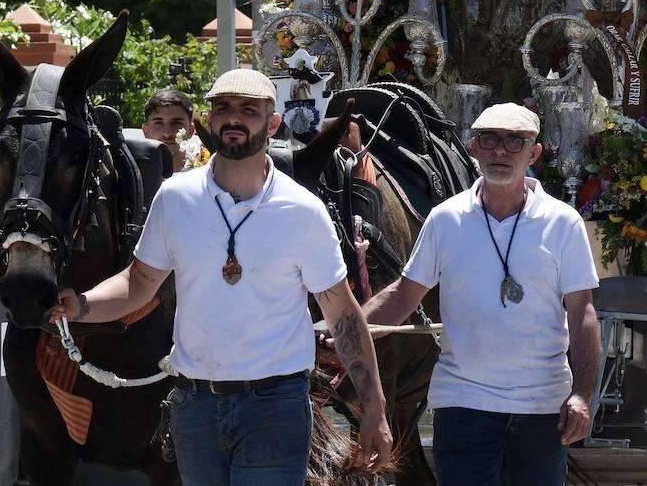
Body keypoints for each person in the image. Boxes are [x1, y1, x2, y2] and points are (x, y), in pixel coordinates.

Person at [51, 68, 392, 484]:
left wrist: (375, 407)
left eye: (248, 110)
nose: (233, 118)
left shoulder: (302, 211)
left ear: (272, 123)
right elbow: (137, 283)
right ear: (209, 121)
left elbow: (342, 314)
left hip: (275, 406)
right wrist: (81, 305)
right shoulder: (175, 198)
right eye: (222, 108)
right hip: (195, 407)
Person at [360, 102, 601, 486]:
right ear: (473, 147)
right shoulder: (445, 219)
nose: (500, 151)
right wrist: (346, 329)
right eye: (489, 140)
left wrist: (583, 395)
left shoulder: (563, 222)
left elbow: (582, 312)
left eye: (514, 142)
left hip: (542, 409)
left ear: (534, 153)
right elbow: (404, 296)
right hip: (464, 406)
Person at [142, 88, 196, 172]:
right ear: (145, 131)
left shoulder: (207, 176)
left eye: (176, 123)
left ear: (191, 130)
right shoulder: (133, 177)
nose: (167, 134)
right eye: (158, 123)